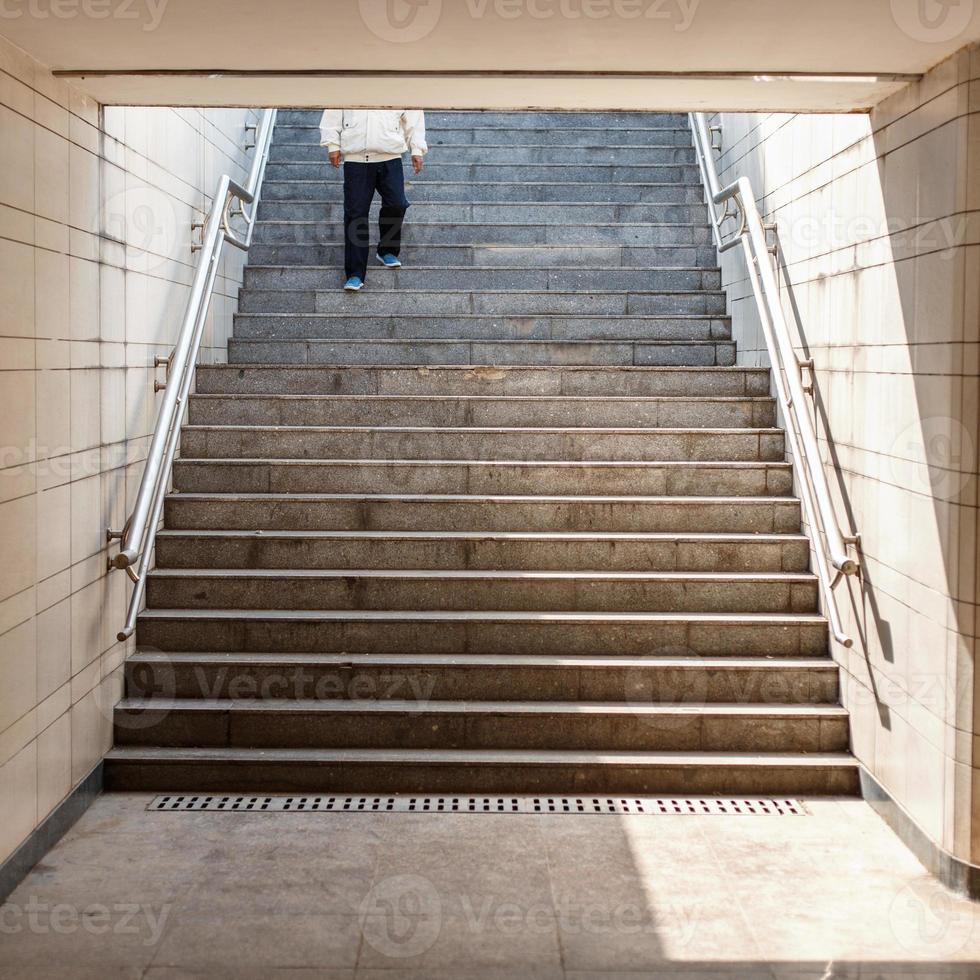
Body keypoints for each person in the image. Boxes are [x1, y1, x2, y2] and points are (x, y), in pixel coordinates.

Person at [319, 109, 428, 291]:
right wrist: (333, 145)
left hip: (390, 157)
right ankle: (355, 273)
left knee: (397, 203)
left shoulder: (400, 82)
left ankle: (387, 250)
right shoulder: (344, 81)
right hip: (356, 160)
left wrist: (416, 149)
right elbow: (333, 113)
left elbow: (413, 116)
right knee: (356, 214)